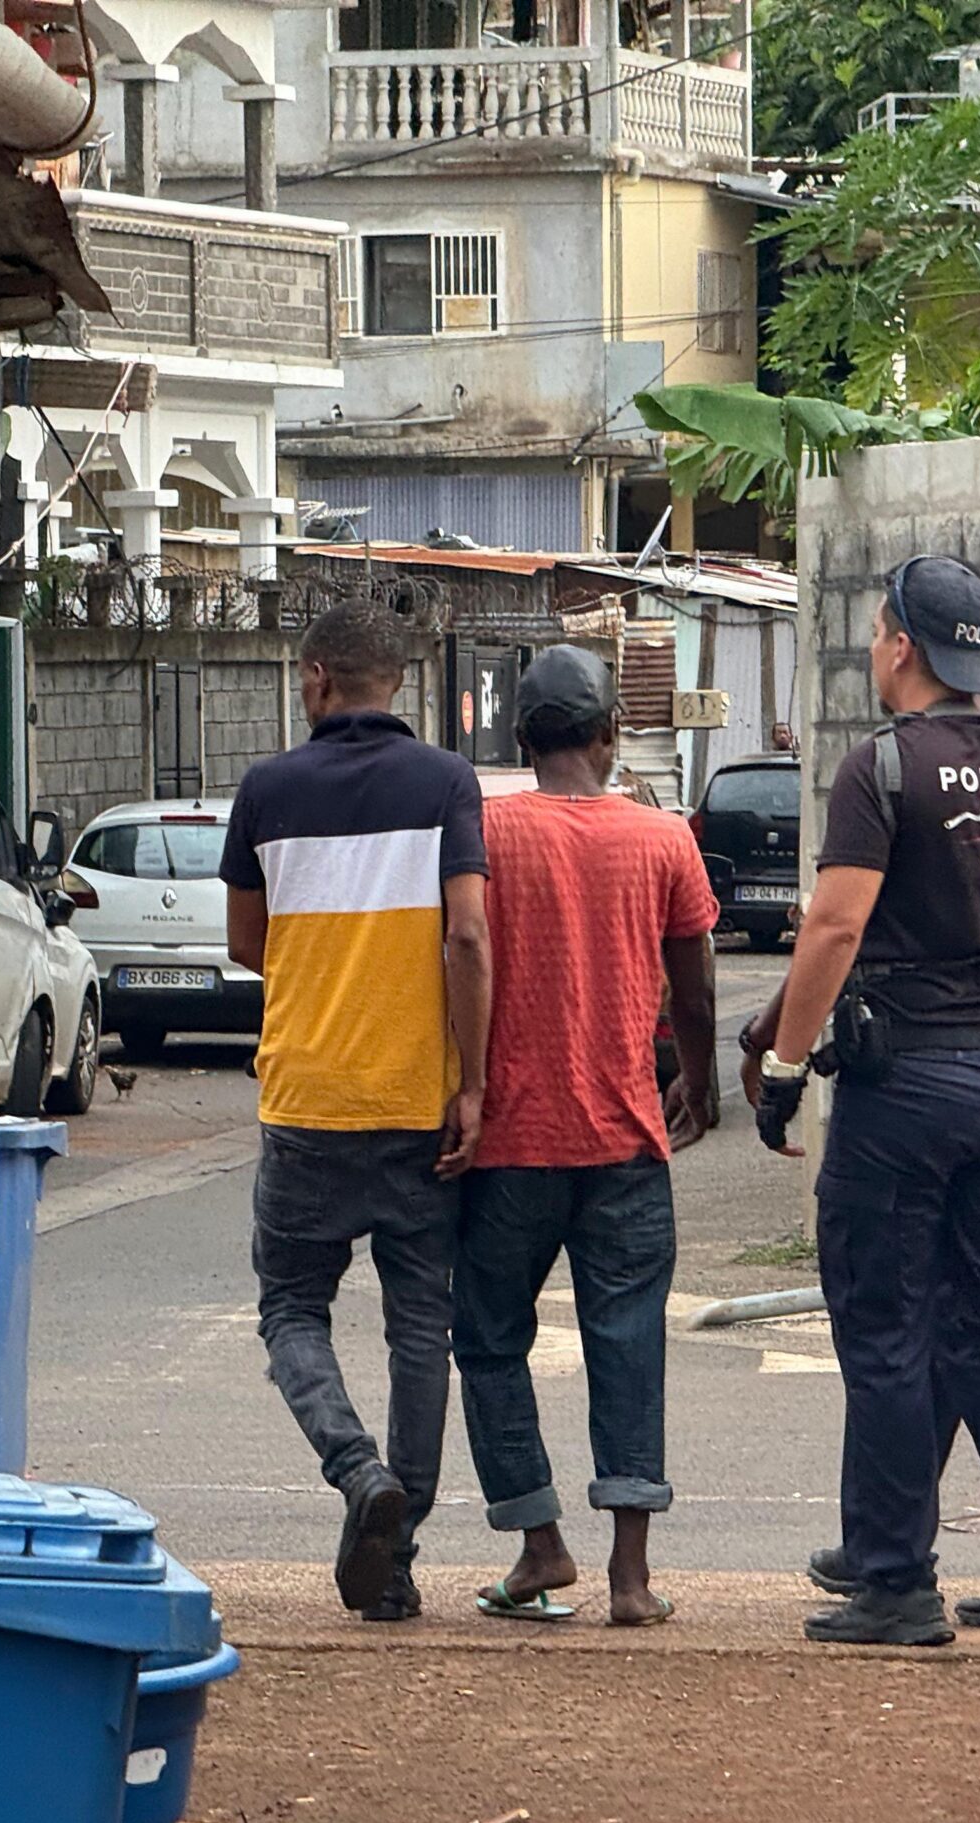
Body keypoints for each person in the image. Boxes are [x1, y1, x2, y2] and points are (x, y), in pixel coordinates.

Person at [752, 552, 980, 1652]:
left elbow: (832, 928)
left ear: (903, 645)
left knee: (886, 1329)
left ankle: (894, 1583)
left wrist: (782, 1067)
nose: (874, 649)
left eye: (877, 632)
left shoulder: (882, 769)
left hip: (902, 1085)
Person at [221, 600, 492, 1622]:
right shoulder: (442, 782)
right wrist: (469, 1081)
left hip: (305, 1099)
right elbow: (468, 937)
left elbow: (251, 944)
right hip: (414, 1101)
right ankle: (398, 1551)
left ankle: (356, 1471)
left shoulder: (268, 789)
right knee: (422, 1328)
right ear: (403, 685)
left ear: (319, 678)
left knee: (292, 1309)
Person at [451, 646, 720, 1627]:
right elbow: (693, 986)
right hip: (626, 1142)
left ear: (523, 742)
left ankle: (538, 1544)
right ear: (611, 739)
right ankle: (631, 1579)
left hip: (509, 1145)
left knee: (487, 1340)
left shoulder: (481, 831)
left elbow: (457, 954)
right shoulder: (663, 841)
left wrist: (465, 1086)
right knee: (627, 1345)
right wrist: (697, 1081)